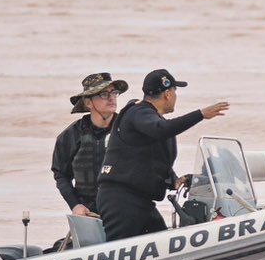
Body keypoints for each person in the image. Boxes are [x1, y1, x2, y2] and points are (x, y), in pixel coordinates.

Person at [95, 68, 230, 241]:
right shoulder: (138, 113)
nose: (175, 96)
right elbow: (161, 130)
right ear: (167, 94)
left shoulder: (149, 120)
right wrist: (200, 114)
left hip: (142, 202)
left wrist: (173, 180)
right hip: (121, 200)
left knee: (163, 243)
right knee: (119, 253)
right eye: (175, 91)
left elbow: (152, 158)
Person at [52, 71, 126, 218]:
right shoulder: (71, 135)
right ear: (88, 102)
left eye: (114, 93)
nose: (111, 98)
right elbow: (60, 174)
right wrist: (75, 205)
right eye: (104, 94)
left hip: (123, 209)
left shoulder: (127, 130)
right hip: (89, 213)